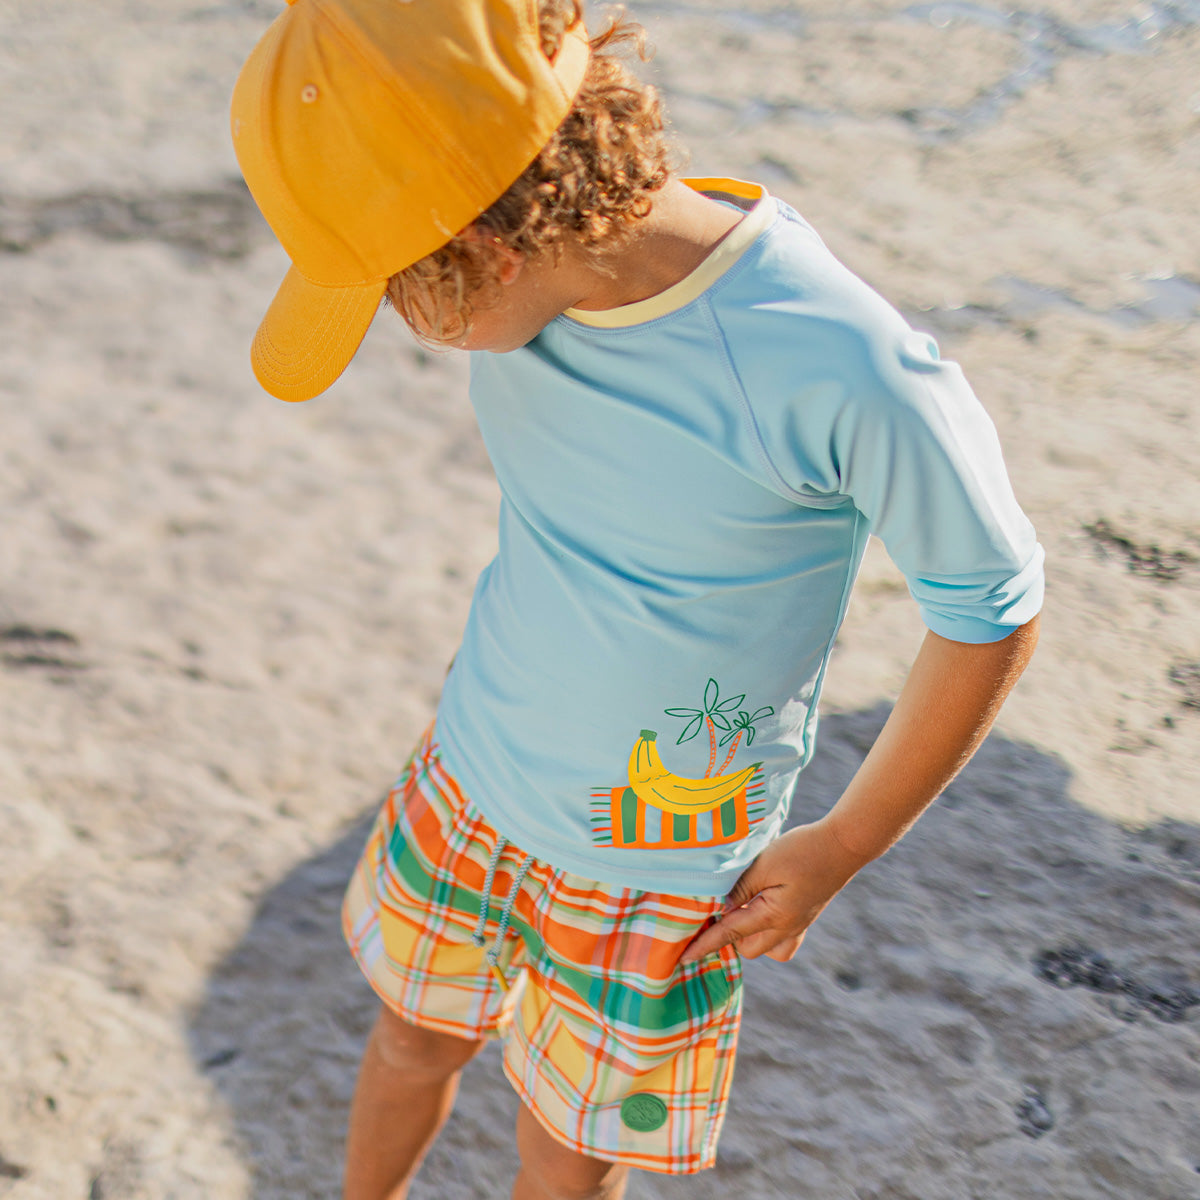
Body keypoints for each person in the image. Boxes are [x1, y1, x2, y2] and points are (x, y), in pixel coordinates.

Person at [230, 2, 1044, 1198]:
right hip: (470, 780)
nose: (403, 329)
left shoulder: (844, 367)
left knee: (565, 1150)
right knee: (411, 1037)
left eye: (395, 296)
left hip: (648, 868)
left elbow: (990, 605)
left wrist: (845, 843)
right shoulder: (535, 297)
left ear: (486, 251)